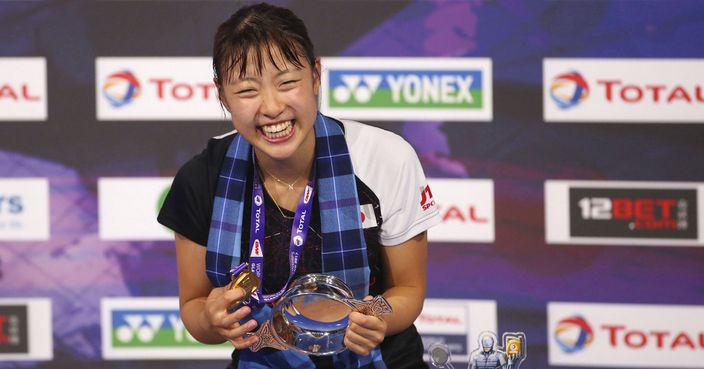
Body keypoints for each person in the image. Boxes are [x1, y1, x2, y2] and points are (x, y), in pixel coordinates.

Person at [157, 2, 440, 368]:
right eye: (246, 91)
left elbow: (408, 289)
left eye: (287, 82)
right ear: (221, 94)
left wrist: (378, 314)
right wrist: (212, 320)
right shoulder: (202, 179)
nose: (272, 107)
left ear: (316, 75)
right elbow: (195, 308)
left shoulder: (386, 158)